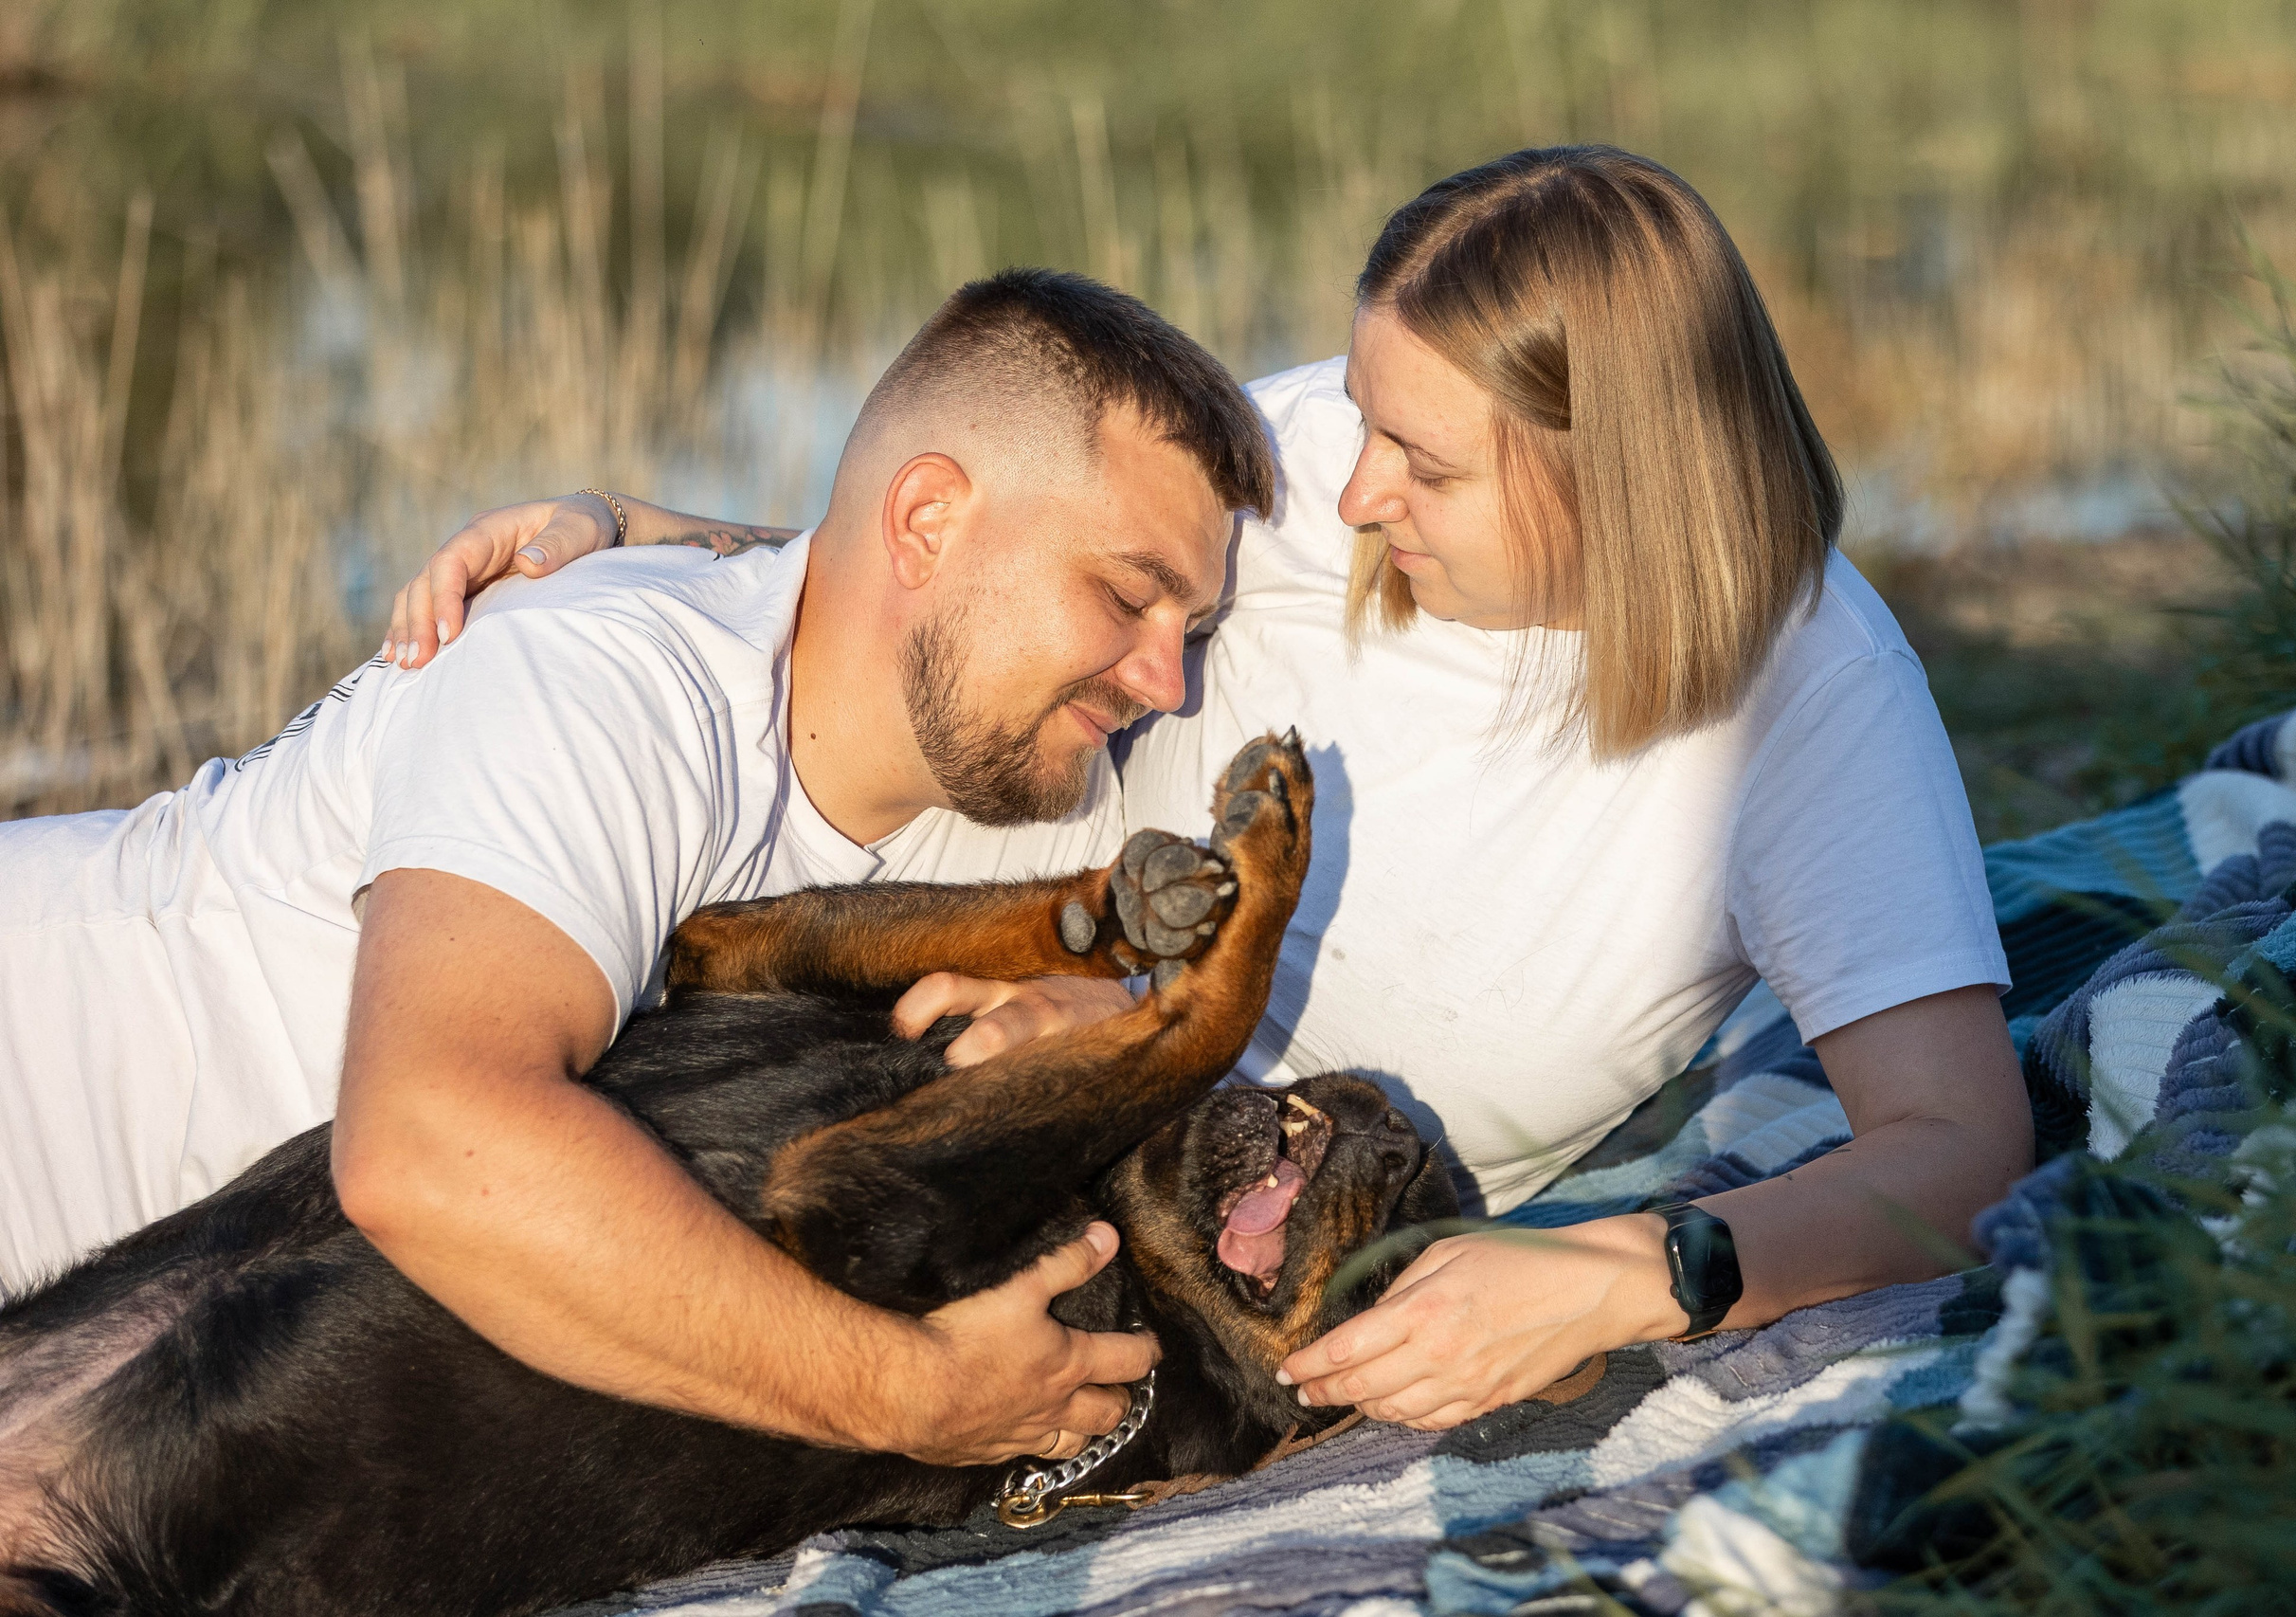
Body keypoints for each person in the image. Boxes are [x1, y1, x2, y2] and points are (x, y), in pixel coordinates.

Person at [402, 148, 2034, 1434]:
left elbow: (1959, 1145)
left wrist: (1638, 1272)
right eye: (1366, 414)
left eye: (1425, 464)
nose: (1354, 484)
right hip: (932, 1029)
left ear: (1617, 472)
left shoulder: (1810, 708)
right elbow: (994, 555)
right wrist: (651, 534)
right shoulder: (1330, 457)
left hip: (1210, 1261)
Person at [0, 268, 1275, 1467]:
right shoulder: (605, 676)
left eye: (1194, 626)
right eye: (1128, 597)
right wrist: (909, 1394)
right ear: (927, 520)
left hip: (154, 1366)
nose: (1166, 680)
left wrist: (1093, 1019)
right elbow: (426, 1147)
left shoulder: (1037, 805)